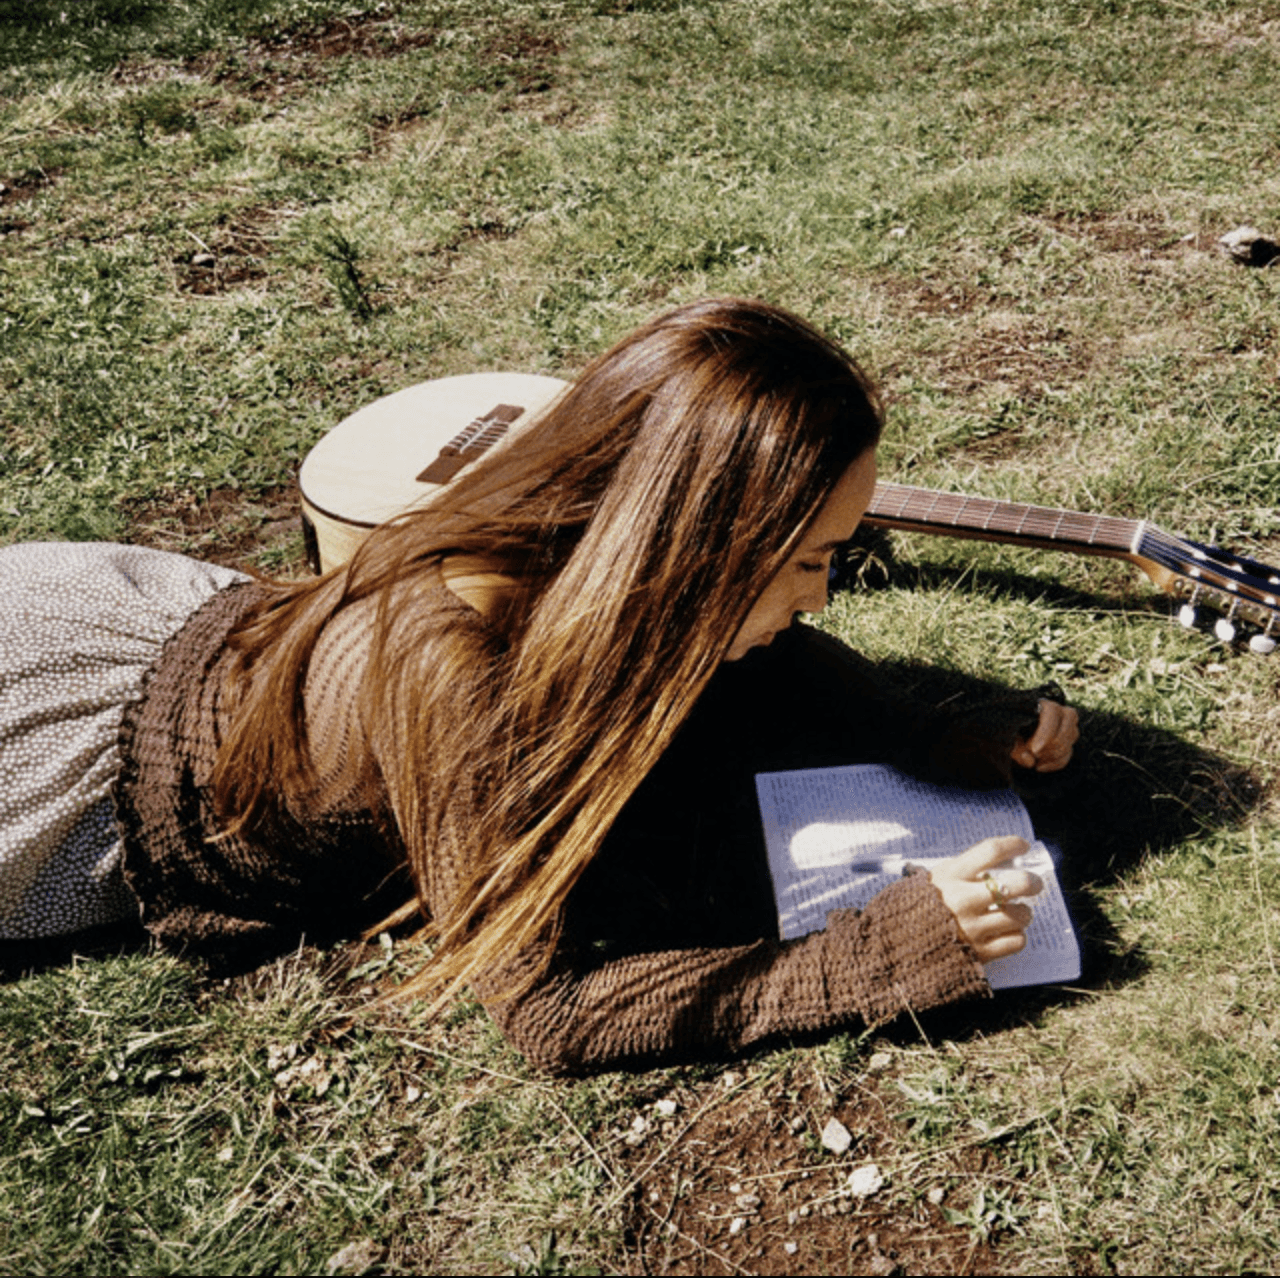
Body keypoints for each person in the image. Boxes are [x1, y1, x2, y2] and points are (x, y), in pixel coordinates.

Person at [0, 298, 1077, 1072]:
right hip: (50, 776)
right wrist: (877, 955)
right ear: (690, 546)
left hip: (142, 613)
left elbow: (760, 658)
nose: (821, 598)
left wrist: (918, 730)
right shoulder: (452, 687)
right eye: (807, 562)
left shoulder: (597, 554)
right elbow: (553, 1012)